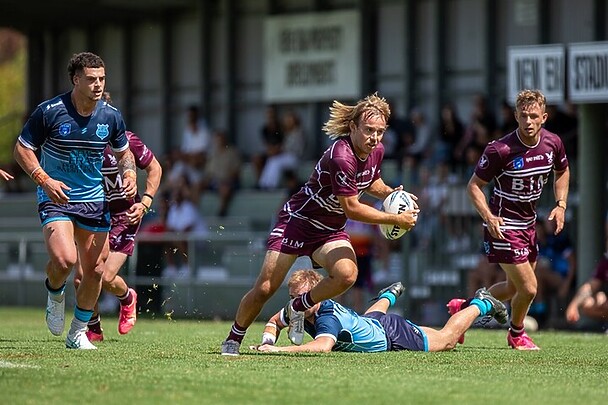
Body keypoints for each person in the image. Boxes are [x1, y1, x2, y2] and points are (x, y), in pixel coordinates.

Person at [220, 93, 420, 356]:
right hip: (298, 222)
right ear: (353, 128)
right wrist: (396, 218)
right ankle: (233, 338)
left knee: (347, 274)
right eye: (369, 130)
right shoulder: (342, 155)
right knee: (265, 288)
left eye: (380, 132)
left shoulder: (376, 151)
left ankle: (298, 307)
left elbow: (370, 181)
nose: (375, 138)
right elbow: (352, 208)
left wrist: (392, 195)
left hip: (329, 230)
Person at [13, 52, 137, 350]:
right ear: (76, 80)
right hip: (57, 196)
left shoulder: (110, 116)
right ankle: (55, 293)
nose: (98, 85)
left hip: (94, 200)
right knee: (65, 259)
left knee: (95, 270)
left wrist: (130, 173)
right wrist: (44, 180)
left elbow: (124, 154)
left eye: (102, 79)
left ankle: (78, 332)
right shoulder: (50, 111)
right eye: (91, 79)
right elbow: (21, 150)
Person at [455, 89, 570, 351]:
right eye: (523, 116)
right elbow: (474, 186)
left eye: (533, 116)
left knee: (510, 288)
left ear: (544, 117)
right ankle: (516, 334)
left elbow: (562, 171)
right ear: (516, 116)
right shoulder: (500, 149)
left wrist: (561, 205)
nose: (528, 122)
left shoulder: (553, 143)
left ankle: (462, 309)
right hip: (503, 226)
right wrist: (488, 216)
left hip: (529, 225)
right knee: (529, 288)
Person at [72, 92, 163, 342]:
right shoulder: (79, 143)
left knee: (106, 276)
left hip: (124, 216)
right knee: (81, 277)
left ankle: (127, 297)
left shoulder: (127, 141)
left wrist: (145, 202)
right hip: (92, 213)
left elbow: (155, 168)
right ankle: (93, 327)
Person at [251, 269, 507, 353]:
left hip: (391, 335)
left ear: (315, 294)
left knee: (447, 341)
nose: (296, 303)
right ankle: (389, 294)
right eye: (293, 298)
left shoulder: (326, 317)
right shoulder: (299, 308)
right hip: (369, 323)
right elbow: (274, 321)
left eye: (301, 298)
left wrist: (278, 350)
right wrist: (266, 340)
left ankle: (481, 303)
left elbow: (322, 347)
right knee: (371, 318)